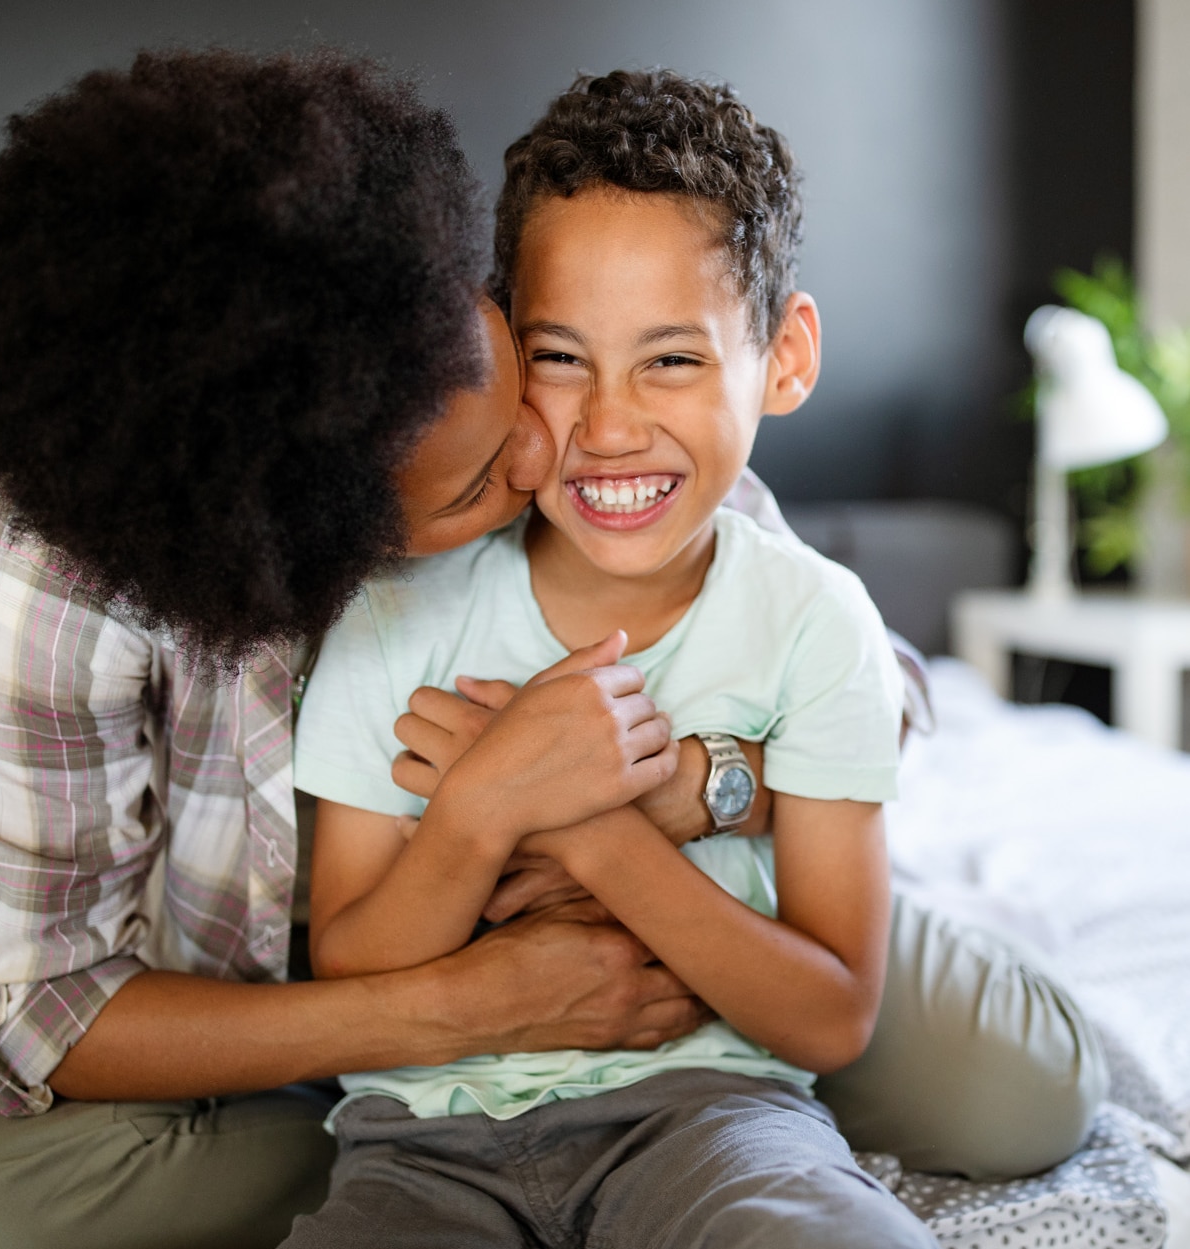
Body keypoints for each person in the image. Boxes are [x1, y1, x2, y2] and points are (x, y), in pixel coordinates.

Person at [0, 47, 1102, 1249]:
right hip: (314, 982)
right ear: (339, 535)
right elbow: (40, 1008)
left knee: (1017, 1095)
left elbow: (875, 686)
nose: (550, 453)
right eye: (478, 484)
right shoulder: (106, 540)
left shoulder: (598, 424)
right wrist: (459, 1009)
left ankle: (685, 1118)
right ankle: (422, 1145)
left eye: (511, 366)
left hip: (689, 923)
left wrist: (687, 789)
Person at [282, 66, 938, 1248]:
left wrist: (592, 828)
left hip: (714, 1115)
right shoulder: (391, 613)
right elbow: (347, 965)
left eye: (672, 359)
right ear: (494, 346)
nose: (611, 426)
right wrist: (484, 804)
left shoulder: (816, 620)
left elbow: (834, 1016)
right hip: (421, 1138)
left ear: (785, 357)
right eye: (560, 357)